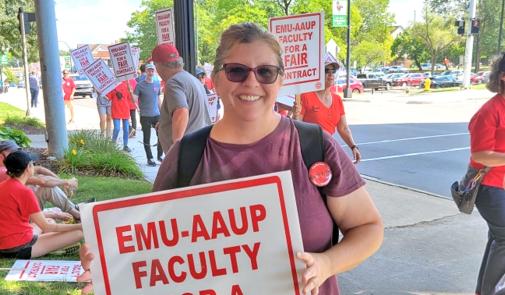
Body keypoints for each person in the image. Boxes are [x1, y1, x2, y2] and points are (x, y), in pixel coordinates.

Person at [79, 22, 383, 295]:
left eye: (265, 71)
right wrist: (107, 265)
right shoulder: (186, 156)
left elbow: (368, 227)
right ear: (217, 79)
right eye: (237, 71)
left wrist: (327, 264)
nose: (251, 82)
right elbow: (151, 248)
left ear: (280, 80)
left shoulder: (315, 146)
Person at [0, 150, 83, 259]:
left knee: (49, 220)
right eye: (32, 164)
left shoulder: (3, 186)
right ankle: (53, 249)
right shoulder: (25, 192)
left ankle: (50, 246)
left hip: (4, 244)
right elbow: (47, 227)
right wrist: (82, 226)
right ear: (28, 168)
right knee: (78, 233)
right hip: (19, 248)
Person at [469, 53, 505, 295]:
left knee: (497, 240)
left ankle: (483, 291)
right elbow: (480, 155)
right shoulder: (490, 111)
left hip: (501, 187)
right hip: (490, 188)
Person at [294, 53, 361, 163]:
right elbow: (297, 126)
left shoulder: (337, 99)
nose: (331, 74)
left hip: (328, 150)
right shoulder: (306, 96)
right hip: (308, 151)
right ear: (318, 74)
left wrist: (353, 147)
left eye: (333, 71)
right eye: (326, 70)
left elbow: (343, 128)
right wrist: (295, 115)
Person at [151, 43, 211, 153]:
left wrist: (176, 147)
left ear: (160, 65)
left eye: (155, 65)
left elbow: (181, 110)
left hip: (186, 154)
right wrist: (165, 122)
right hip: (198, 148)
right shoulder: (192, 80)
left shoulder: (174, 82)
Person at [0, 140, 81, 220]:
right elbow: (42, 181)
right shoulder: (3, 172)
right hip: (18, 217)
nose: (15, 154)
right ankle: (77, 214)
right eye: (12, 152)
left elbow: (39, 169)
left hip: (16, 211)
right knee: (45, 187)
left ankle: (74, 209)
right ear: (1, 156)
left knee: (41, 185)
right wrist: (66, 182)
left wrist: (60, 180)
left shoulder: (10, 167)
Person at [133, 63, 163, 166]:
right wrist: (137, 108)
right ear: (145, 72)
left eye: (152, 70)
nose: (150, 72)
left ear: (154, 72)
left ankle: (160, 156)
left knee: (162, 135)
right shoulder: (140, 85)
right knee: (147, 137)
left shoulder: (157, 84)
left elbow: (158, 99)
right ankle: (150, 158)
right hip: (145, 115)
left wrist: (162, 112)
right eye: (149, 70)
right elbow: (135, 99)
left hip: (156, 115)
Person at [106, 81, 132, 152]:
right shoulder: (112, 85)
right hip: (116, 109)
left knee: (126, 129)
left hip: (125, 109)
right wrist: (102, 91)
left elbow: (131, 98)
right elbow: (108, 97)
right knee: (117, 128)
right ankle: (113, 144)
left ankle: (125, 145)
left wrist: (130, 90)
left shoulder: (126, 84)